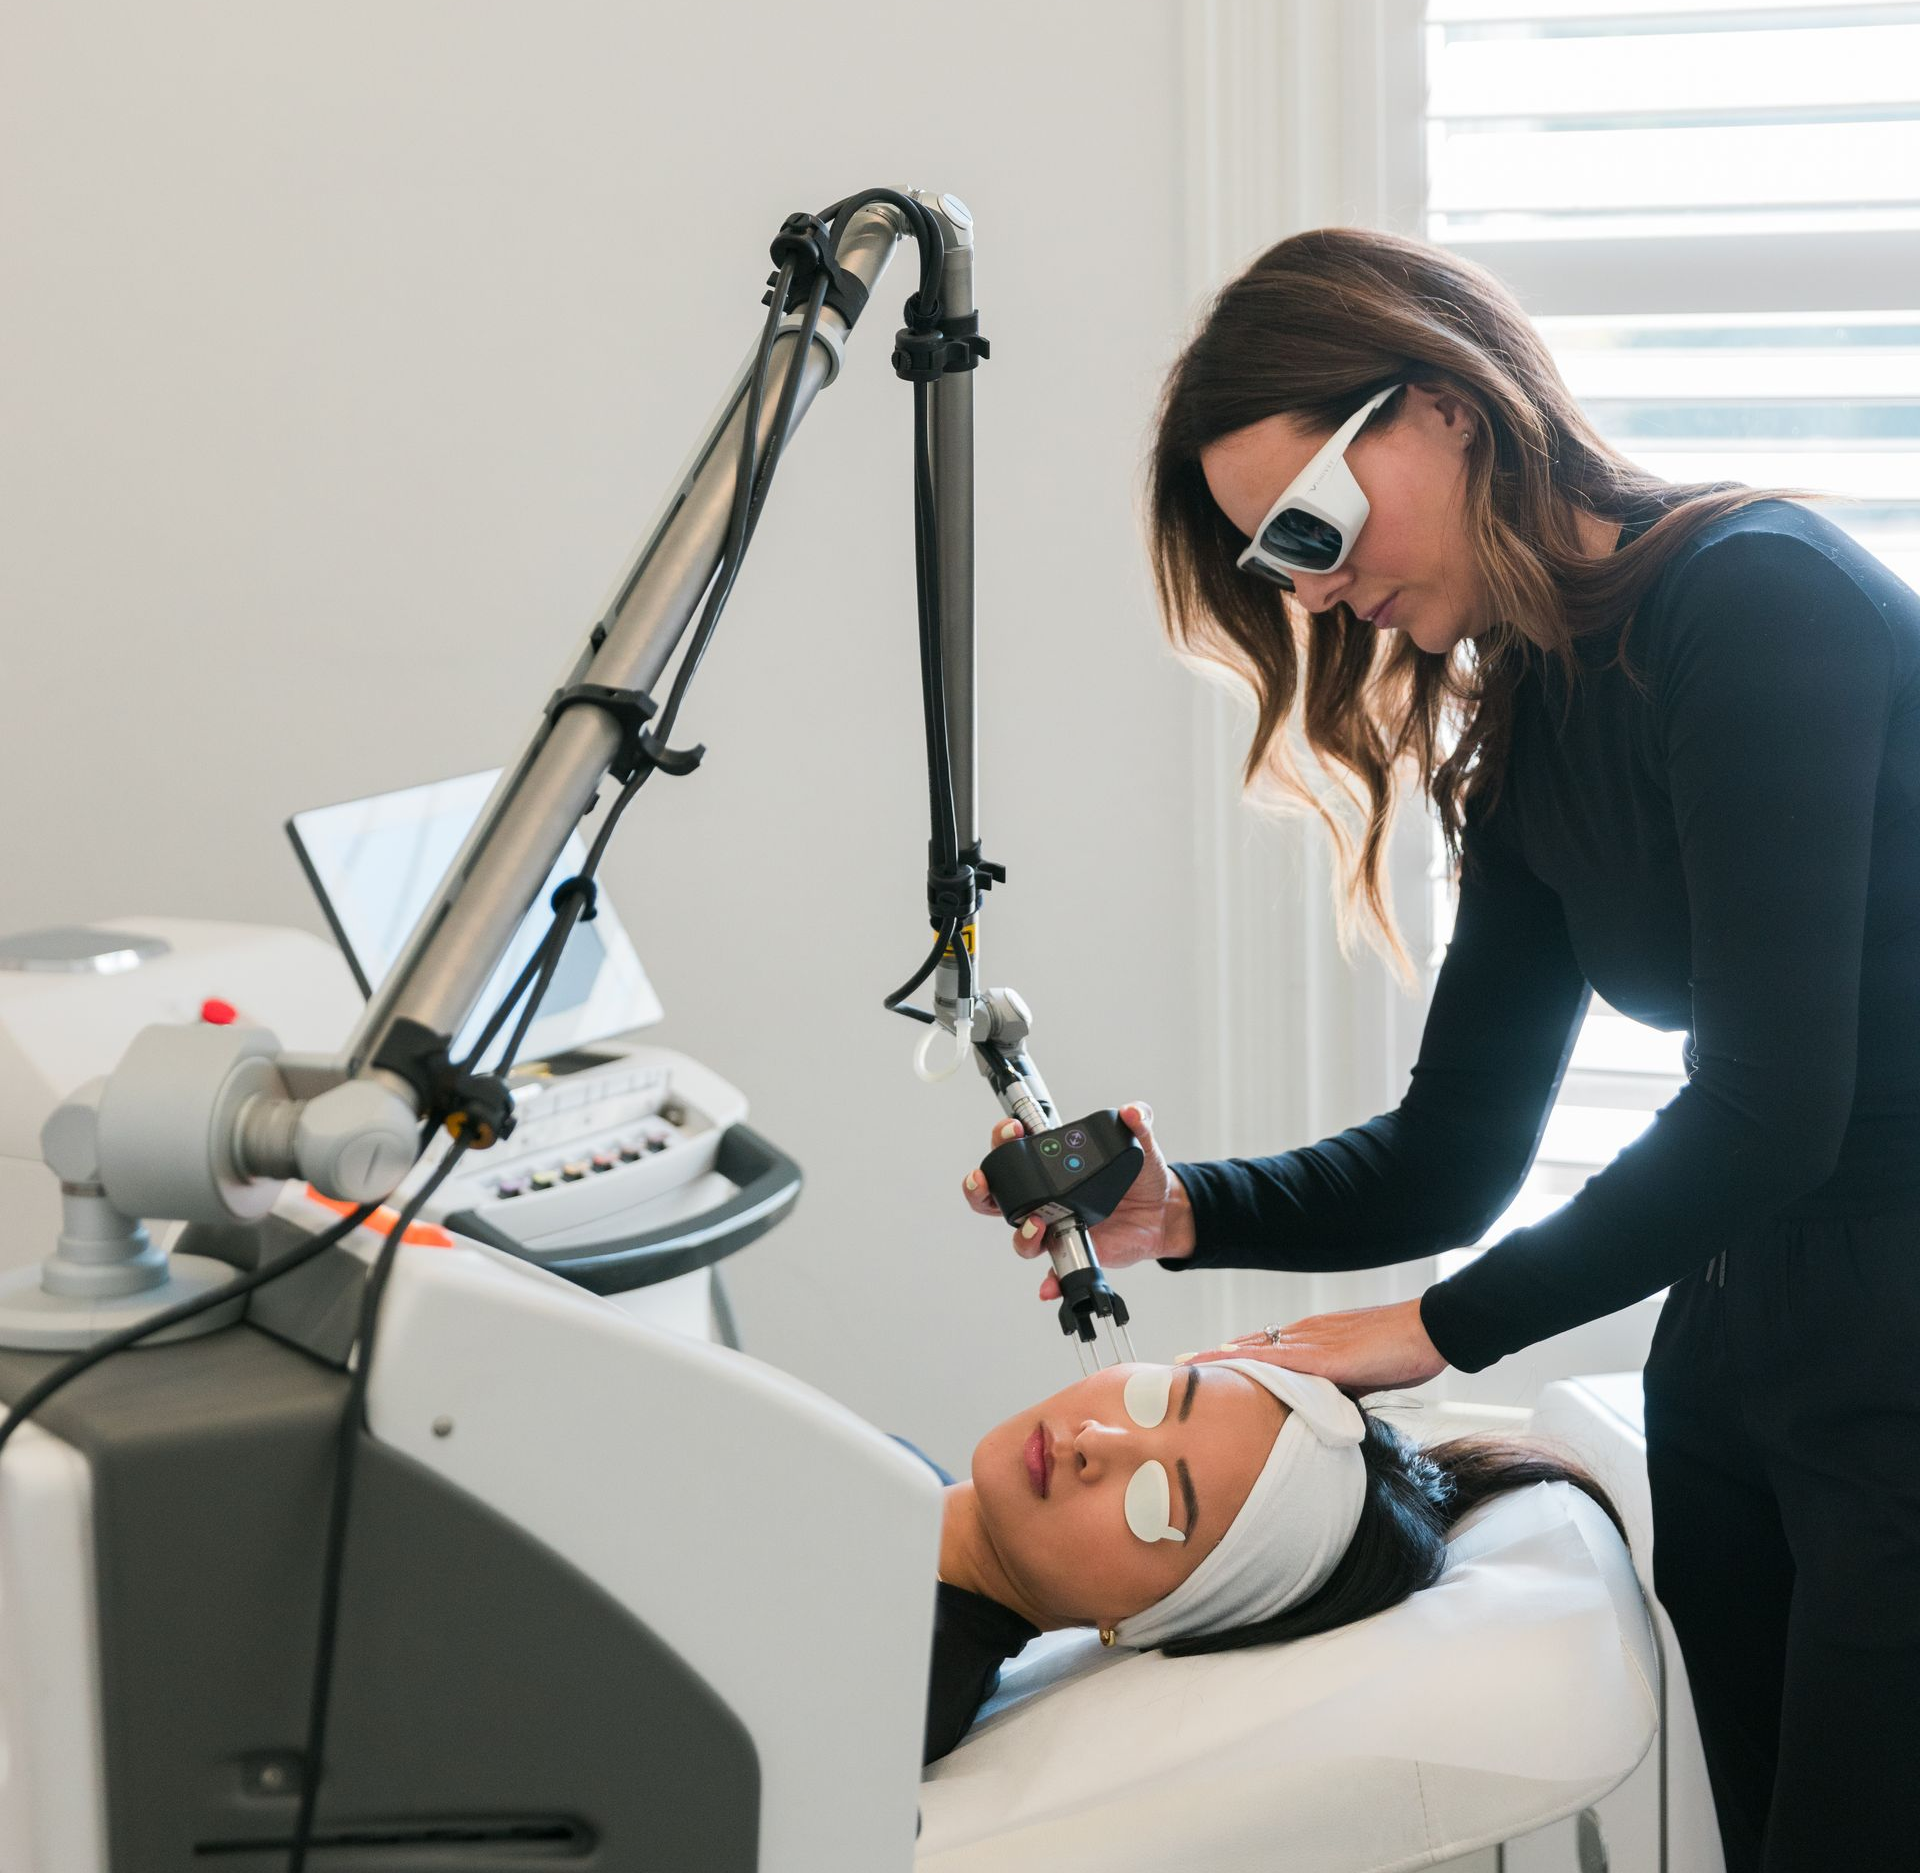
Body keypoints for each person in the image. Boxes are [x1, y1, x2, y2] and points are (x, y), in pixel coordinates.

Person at [961, 227, 1920, 1869]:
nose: (1320, 589)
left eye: (1316, 529)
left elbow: (1771, 1108)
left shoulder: (1757, 601)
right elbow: (1455, 1149)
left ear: (1446, 406)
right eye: (1283, 564)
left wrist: (1425, 1331)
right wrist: (1181, 1208)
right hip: (1743, 1362)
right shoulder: (1537, 719)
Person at [919, 1356, 1621, 1765]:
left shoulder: (901, 1671)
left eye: (1155, 1501)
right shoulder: (897, 1509)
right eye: (1158, 1397)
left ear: (1141, 1621)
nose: (1098, 1438)